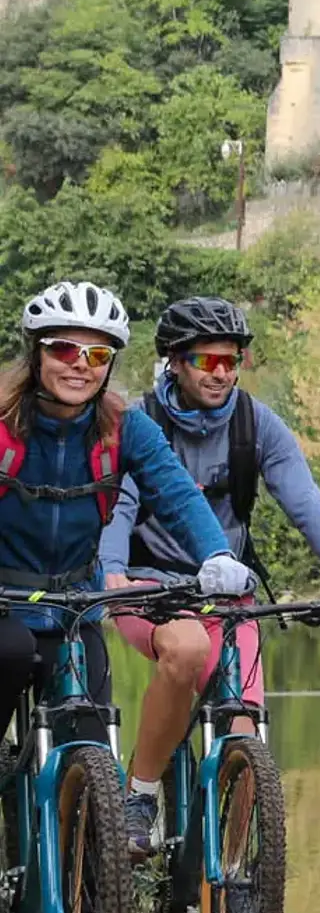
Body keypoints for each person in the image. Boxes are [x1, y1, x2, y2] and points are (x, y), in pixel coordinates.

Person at [100, 297, 320, 858]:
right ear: (175, 361)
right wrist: (111, 573)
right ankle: (142, 796)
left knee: (246, 733)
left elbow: (307, 506)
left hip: (228, 595)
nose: (222, 373)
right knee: (184, 655)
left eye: (232, 361)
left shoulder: (256, 424)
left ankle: (235, 873)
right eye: (208, 362)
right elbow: (119, 507)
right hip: (150, 588)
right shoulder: (142, 424)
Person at [0, 283, 252, 759]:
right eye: (64, 349)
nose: (80, 364)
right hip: (4, 606)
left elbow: (176, 494)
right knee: (9, 652)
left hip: (74, 609)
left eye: (96, 355)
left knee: (92, 750)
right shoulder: (3, 422)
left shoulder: (124, 427)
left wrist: (216, 554)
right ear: (36, 354)